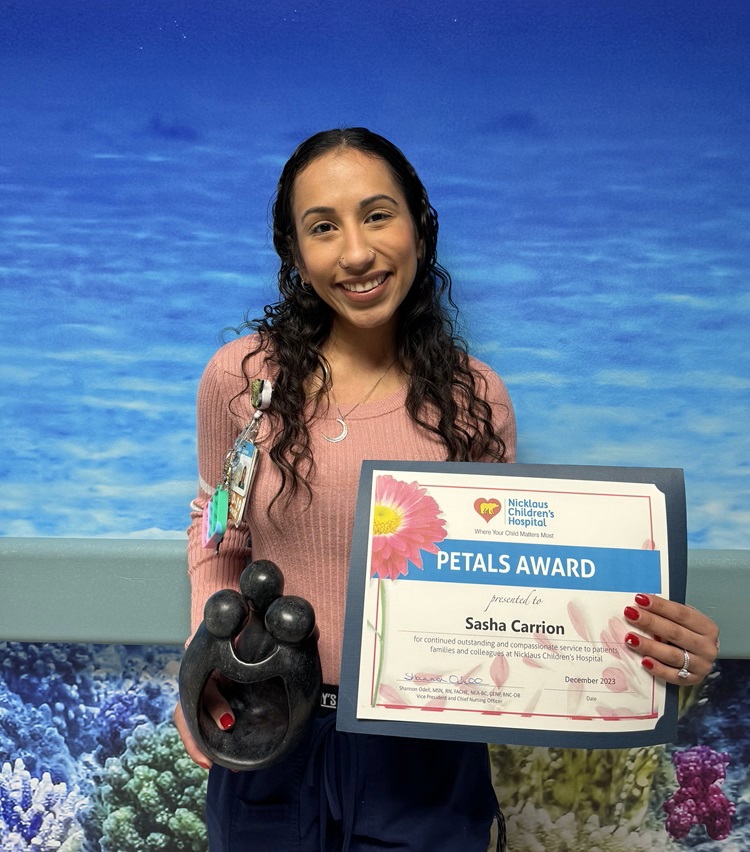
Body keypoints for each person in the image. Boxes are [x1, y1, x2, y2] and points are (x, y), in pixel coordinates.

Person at [174, 128, 720, 851]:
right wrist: (200, 660)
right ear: (295, 254)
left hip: (425, 750)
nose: (357, 252)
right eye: (323, 227)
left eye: (377, 215)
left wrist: (653, 649)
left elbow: (509, 586)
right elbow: (220, 531)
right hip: (267, 720)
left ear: (420, 231)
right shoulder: (241, 380)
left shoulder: (475, 398)